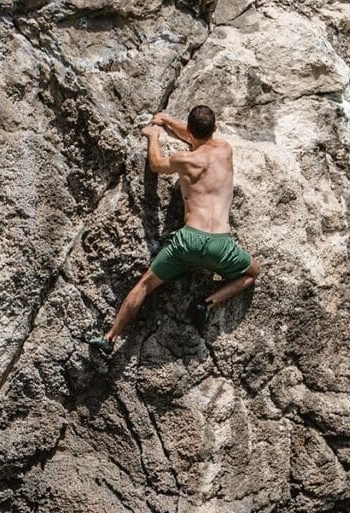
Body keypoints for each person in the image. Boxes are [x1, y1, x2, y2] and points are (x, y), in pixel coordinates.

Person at [87, 104, 261, 354]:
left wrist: (155, 135)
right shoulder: (225, 150)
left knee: (145, 285)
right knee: (252, 272)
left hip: (188, 241)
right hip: (220, 244)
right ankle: (207, 303)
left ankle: (110, 337)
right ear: (215, 128)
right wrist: (168, 120)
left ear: (189, 130)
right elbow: (197, 137)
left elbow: (156, 163)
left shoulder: (184, 160)